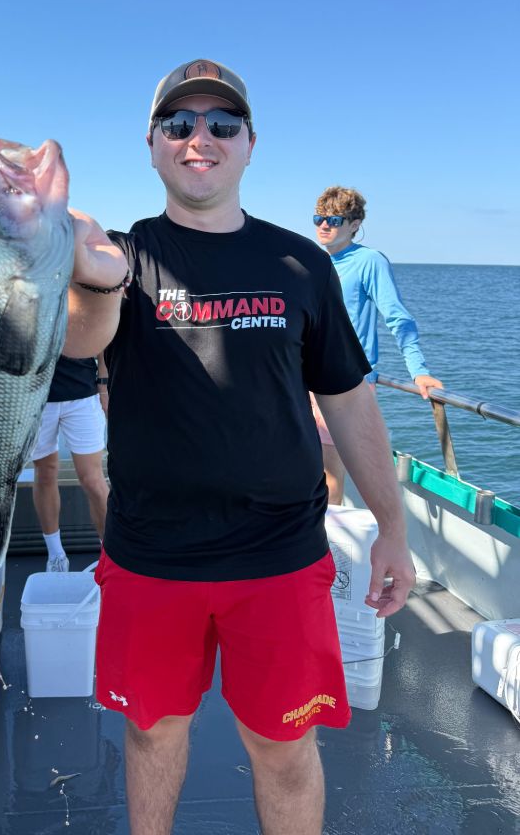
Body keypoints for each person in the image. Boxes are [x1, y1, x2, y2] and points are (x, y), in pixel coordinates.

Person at [61, 59, 415, 835]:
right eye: (179, 124)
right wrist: (89, 279)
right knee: (153, 735)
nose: (200, 139)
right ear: (152, 144)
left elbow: (350, 400)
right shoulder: (123, 260)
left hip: (281, 556)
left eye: (222, 124)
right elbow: (82, 338)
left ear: (250, 143)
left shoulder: (302, 264)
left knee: (285, 749)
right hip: (154, 554)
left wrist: (392, 527)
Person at [311, 187, 443, 504]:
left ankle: (332, 548)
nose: (324, 226)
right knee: (305, 469)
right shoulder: (313, 262)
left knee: (330, 473)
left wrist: (419, 371)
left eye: (334, 219)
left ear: (355, 224)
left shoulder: (369, 261)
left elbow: (397, 318)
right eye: (318, 218)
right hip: (305, 381)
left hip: (344, 384)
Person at [31, 354, 109, 571]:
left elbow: (101, 332)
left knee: (93, 480)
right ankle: (56, 556)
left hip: (82, 393)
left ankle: (111, 554)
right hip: (33, 396)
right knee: (45, 472)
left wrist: (104, 383)